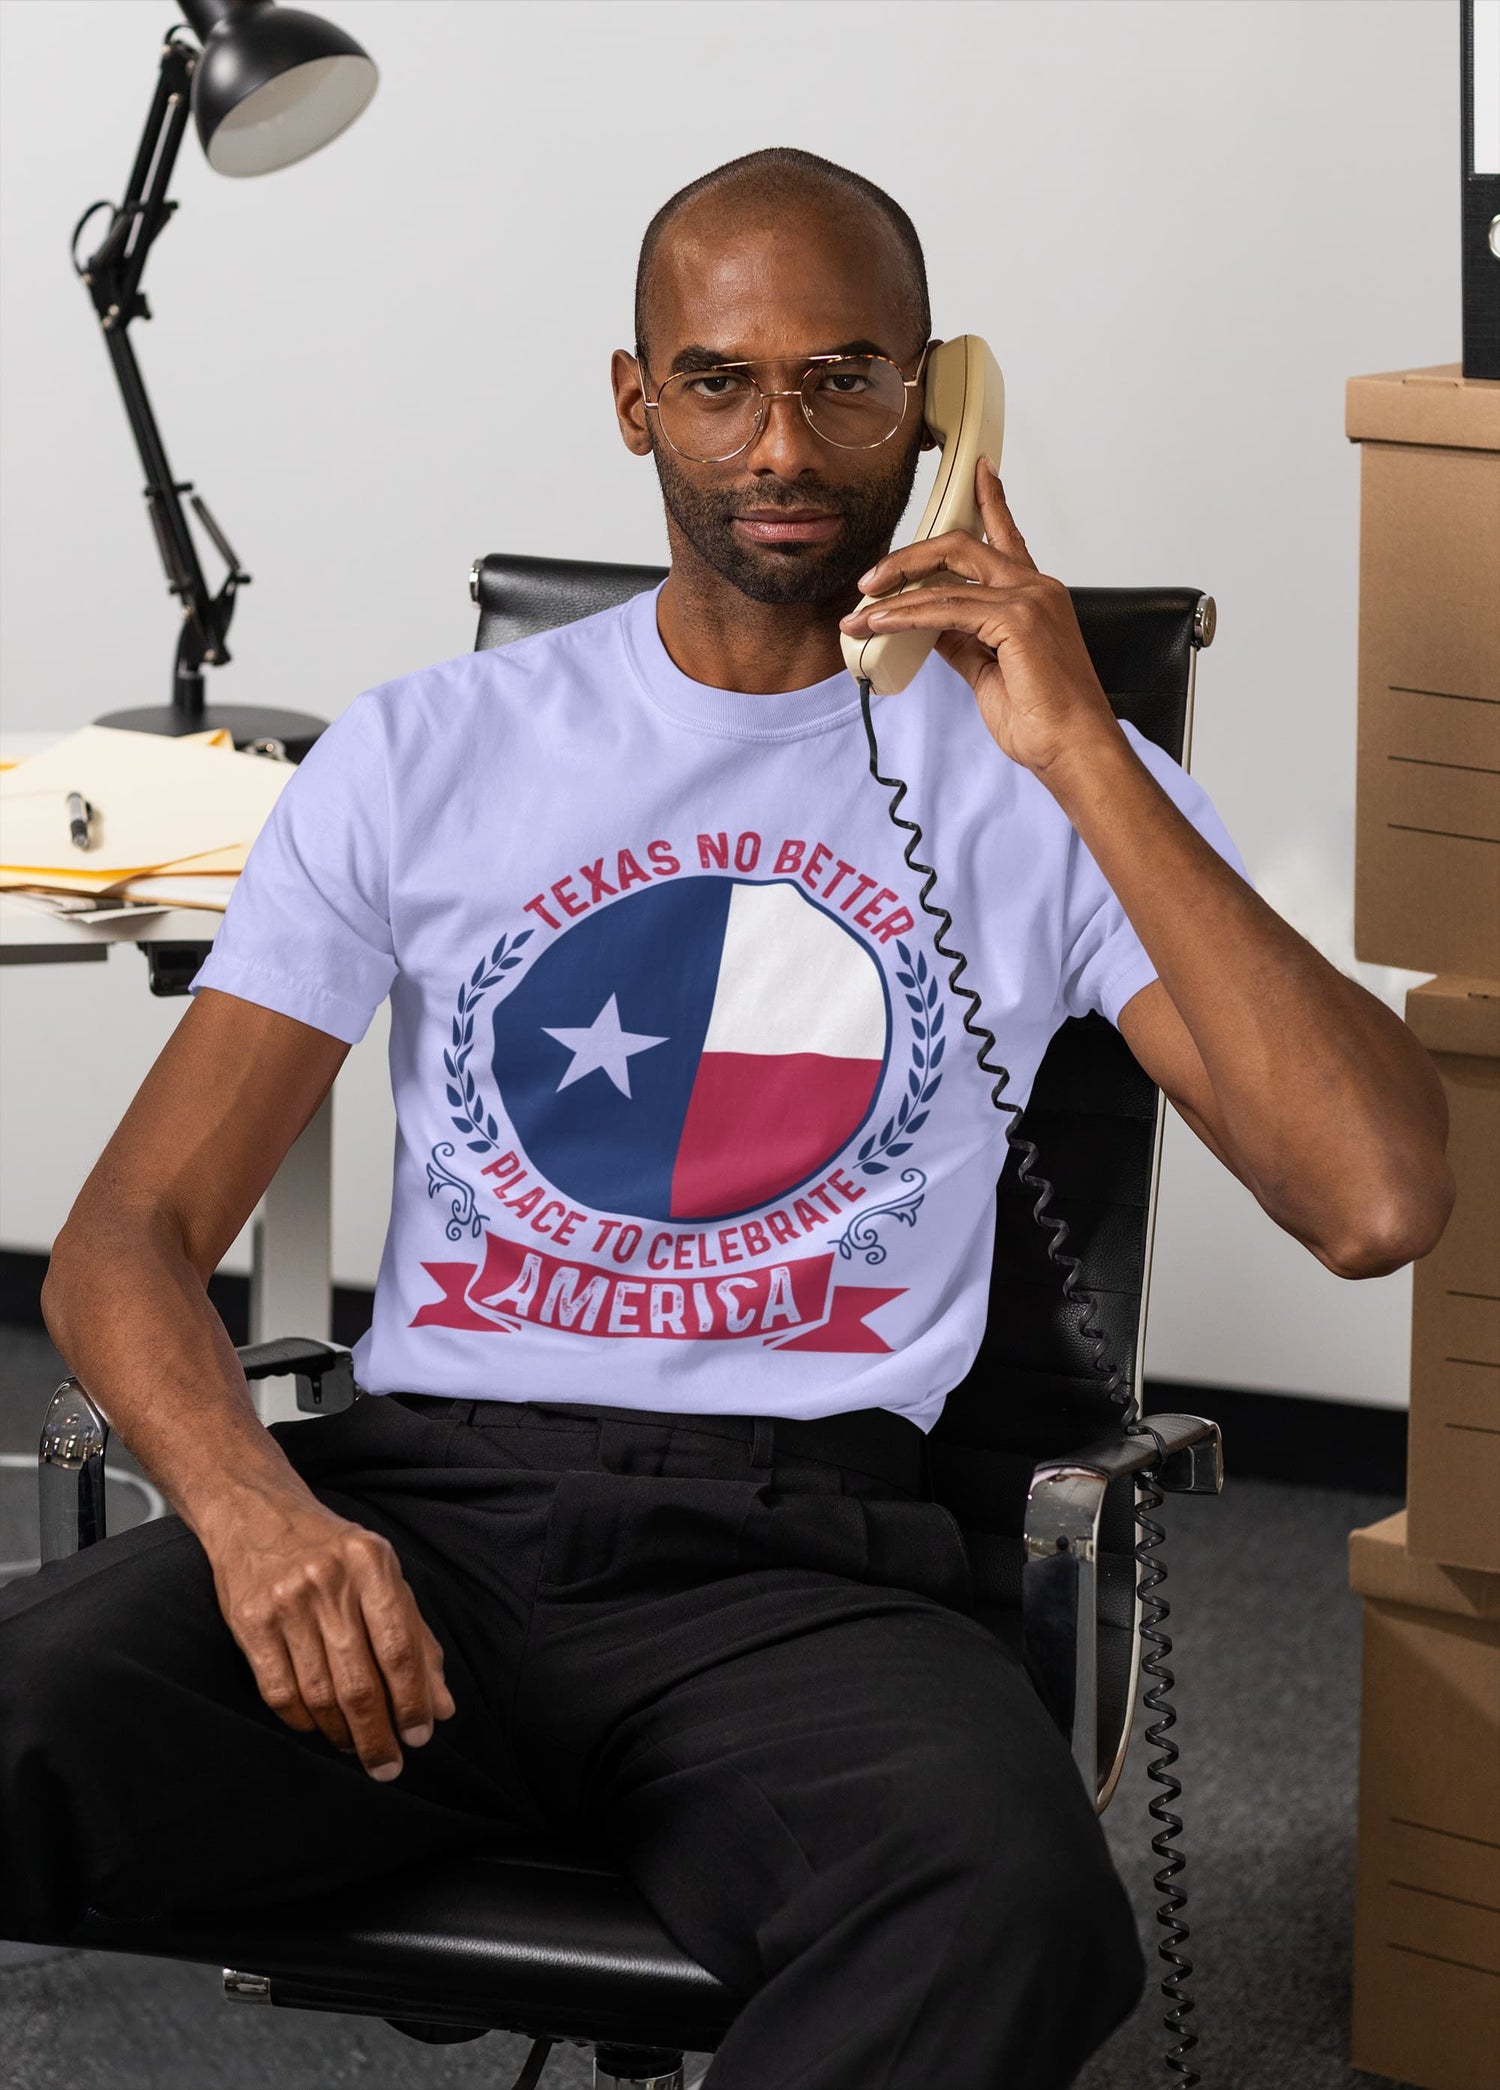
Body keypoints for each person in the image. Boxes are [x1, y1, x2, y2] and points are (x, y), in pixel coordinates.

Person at [0, 148, 1452, 2089]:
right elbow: (123, 1245)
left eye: (847, 380)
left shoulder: (1035, 766)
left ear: (935, 402)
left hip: (806, 1567)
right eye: (721, 382)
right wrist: (260, 1519)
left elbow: (1376, 1193)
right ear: (635, 400)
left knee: (1008, 1910)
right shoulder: (429, 752)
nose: (782, 442)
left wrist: (1085, 747)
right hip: (429, 1509)